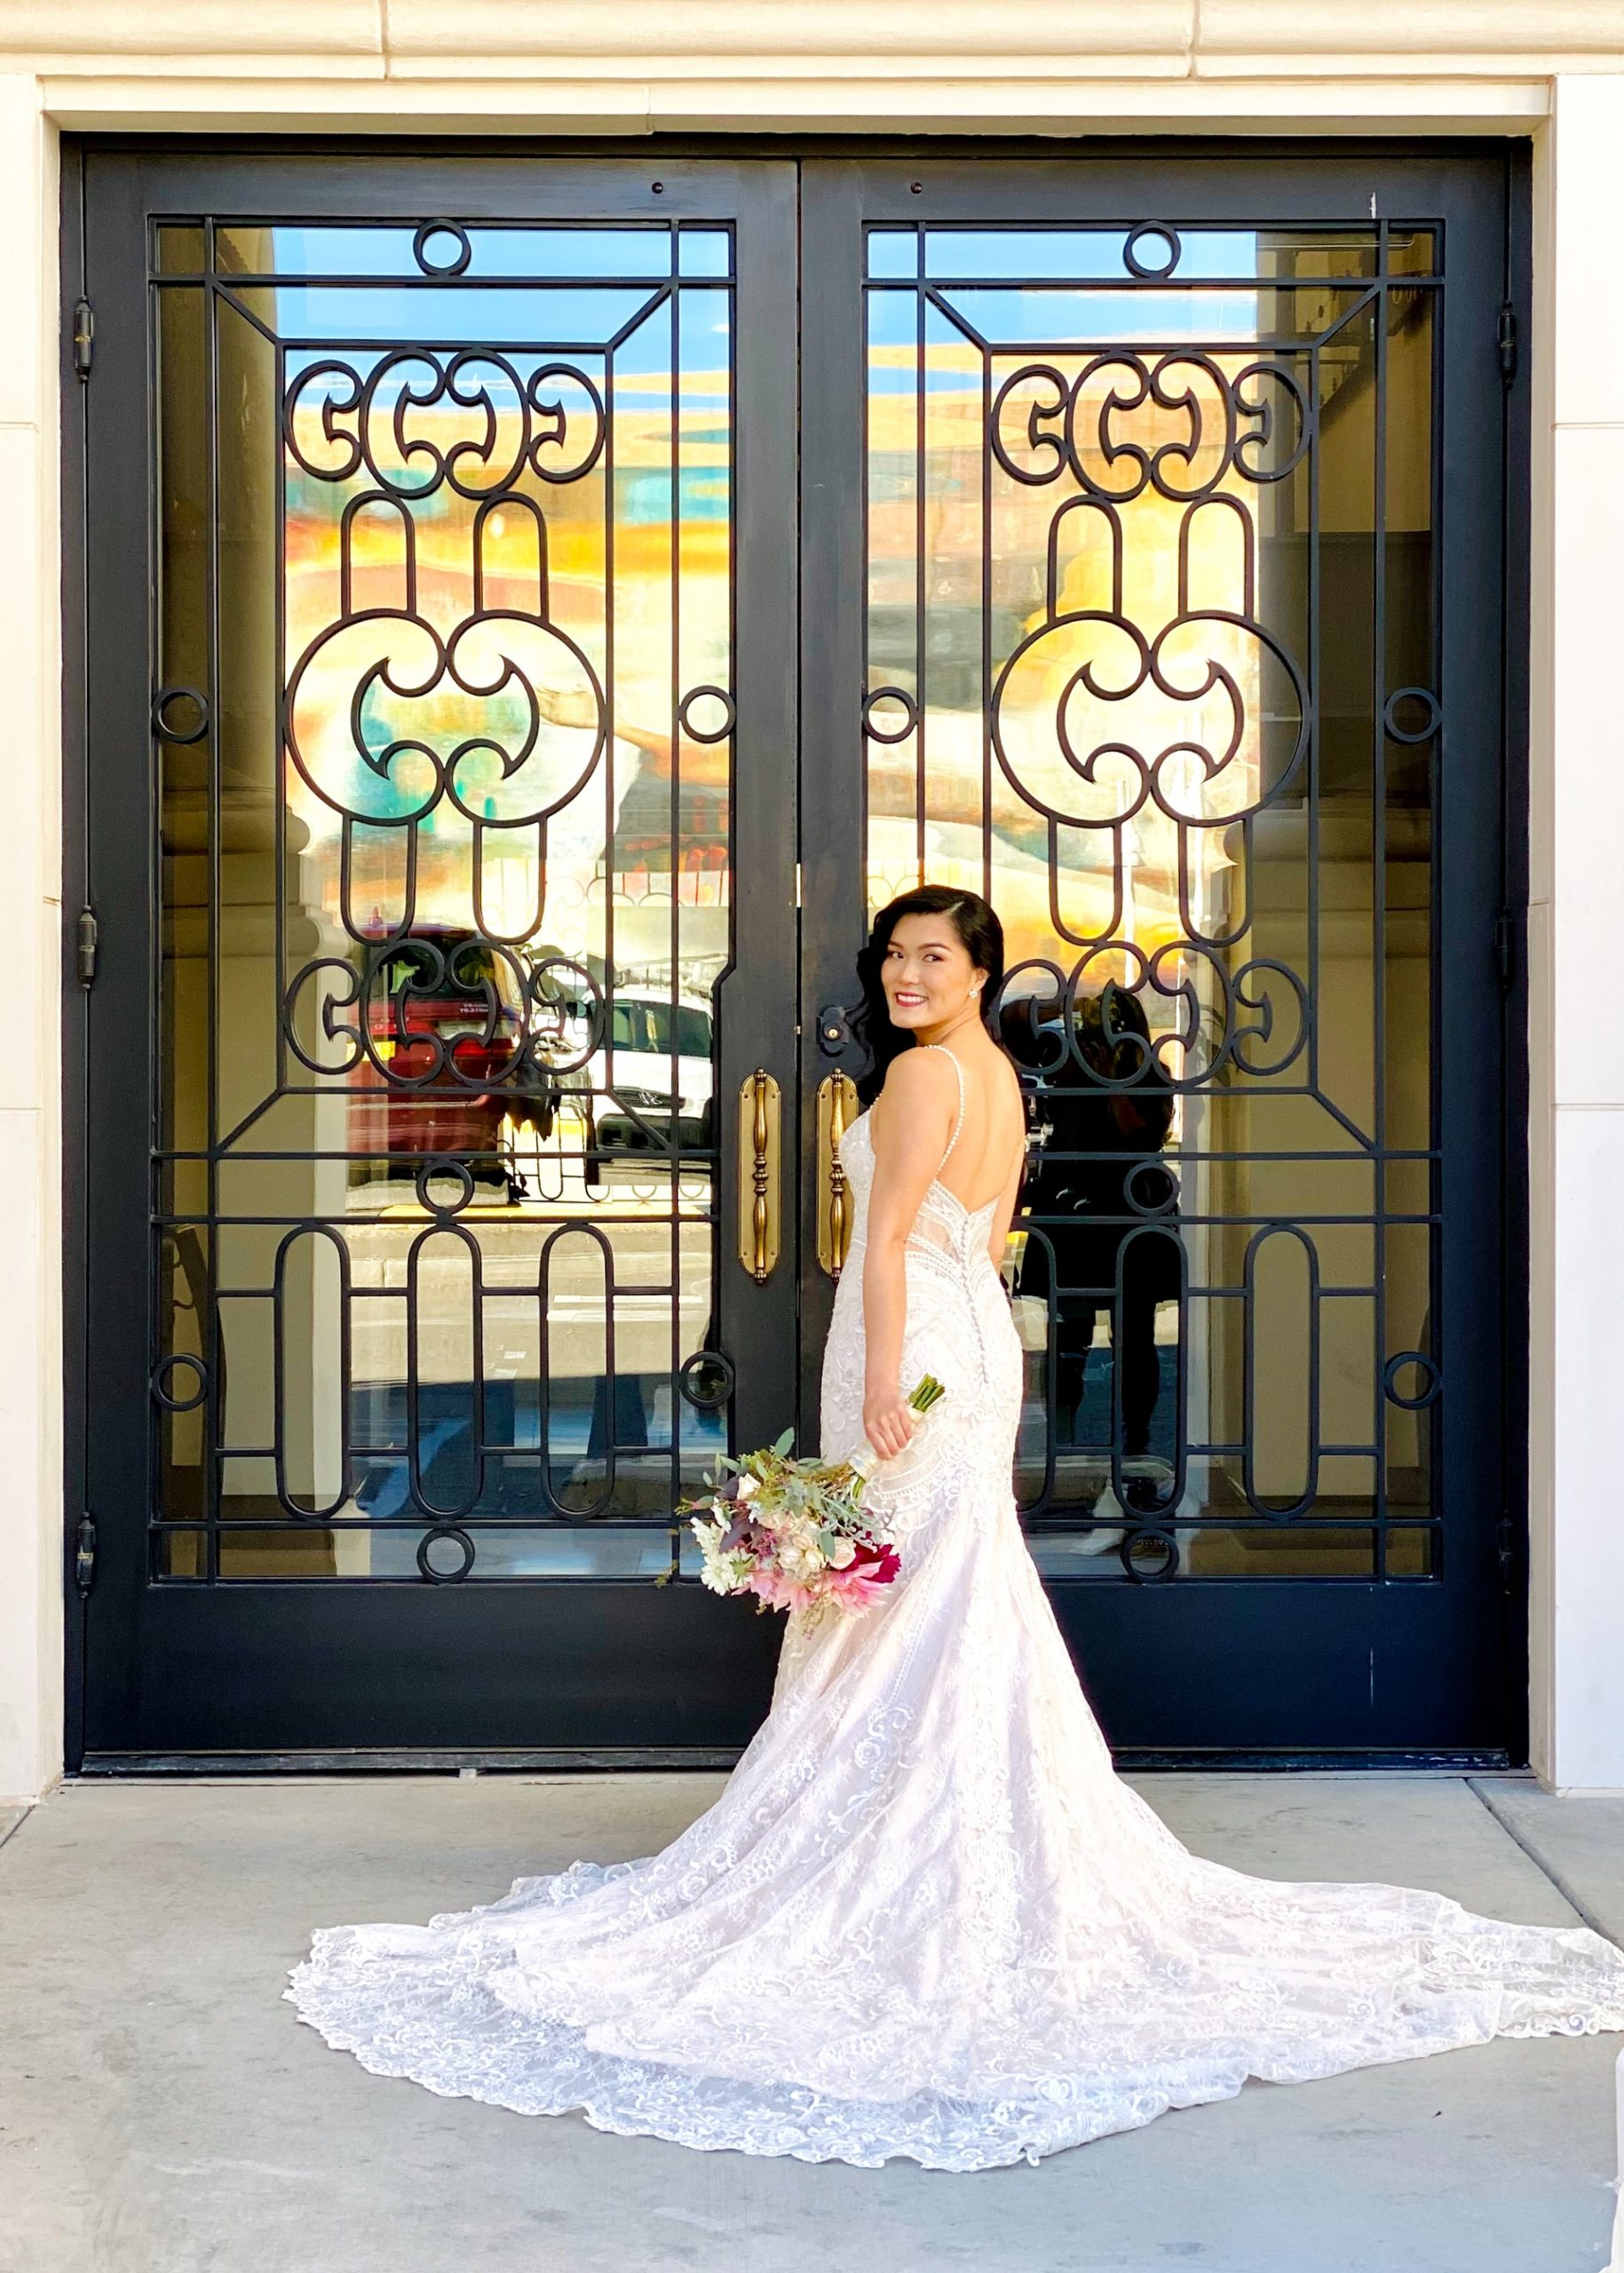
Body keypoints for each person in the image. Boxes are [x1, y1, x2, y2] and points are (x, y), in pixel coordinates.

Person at [287, 883, 1624, 2172]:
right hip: (966, 1349)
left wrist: (877, 1380)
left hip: (910, 1341)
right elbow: (982, 1247)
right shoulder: (995, 1074)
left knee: (892, 1582)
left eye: (930, 956)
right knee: (935, 1582)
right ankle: (951, 1811)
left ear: (977, 967)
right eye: (894, 957)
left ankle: (884, 1827)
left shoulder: (925, 1077)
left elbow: (884, 1245)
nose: (905, 976)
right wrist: (930, 1375)